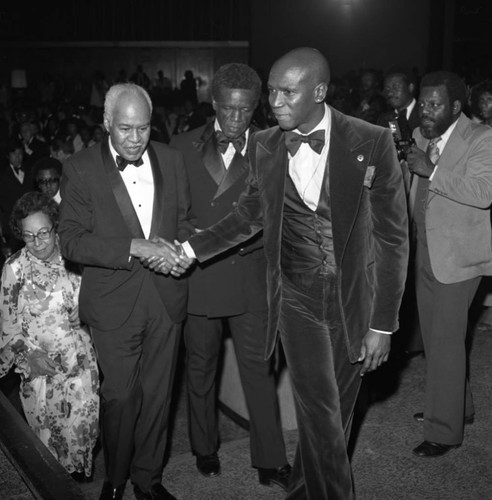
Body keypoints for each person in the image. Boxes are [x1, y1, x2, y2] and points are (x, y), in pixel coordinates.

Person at [152, 47, 409, 499]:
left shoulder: (371, 142)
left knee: (333, 417)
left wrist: (382, 323)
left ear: (319, 91)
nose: (274, 102)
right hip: (296, 299)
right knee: (320, 413)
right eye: (271, 91)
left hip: (355, 302)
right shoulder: (267, 144)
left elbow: (393, 240)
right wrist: (190, 249)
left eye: (287, 92)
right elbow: (248, 215)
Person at [58, 83, 196, 500]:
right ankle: (115, 480)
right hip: (113, 302)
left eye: (144, 127)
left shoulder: (172, 160)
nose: (135, 139)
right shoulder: (80, 168)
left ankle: (147, 480)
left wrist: (183, 251)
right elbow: (71, 241)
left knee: (159, 396)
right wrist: (135, 246)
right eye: (125, 129)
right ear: (105, 124)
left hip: (166, 297)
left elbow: (185, 223)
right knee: (120, 397)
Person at [170, 63, 290, 489]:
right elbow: (172, 214)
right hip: (200, 273)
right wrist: (194, 238)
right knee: (201, 369)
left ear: (256, 106)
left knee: (260, 368)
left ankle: (270, 460)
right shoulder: (181, 146)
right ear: (213, 104)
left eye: (246, 111)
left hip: (248, 272)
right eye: (228, 110)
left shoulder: (271, 146)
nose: (237, 120)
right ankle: (204, 448)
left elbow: (274, 213)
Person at [406, 71, 492, 458]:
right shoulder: (422, 136)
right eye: (423, 102)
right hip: (423, 247)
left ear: (456, 107)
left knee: (443, 338)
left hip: (458, 256)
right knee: (439, 337)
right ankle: (458, 407)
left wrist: (432, 171)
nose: (425, 110)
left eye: (435, 104)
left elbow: (483, 192)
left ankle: (443, 430)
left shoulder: (482, 138)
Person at [0, 191, 99, 481]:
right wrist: (28, 355)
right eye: (29, 236)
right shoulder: (14, 268)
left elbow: (102, 304)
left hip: (80, 362)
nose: (37, 242)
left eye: (43, 232)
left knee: (82, 436)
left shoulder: (77, 258)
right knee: (47, 447)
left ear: (56, 227)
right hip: (38, 369)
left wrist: (87, 313)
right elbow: (7, 326)